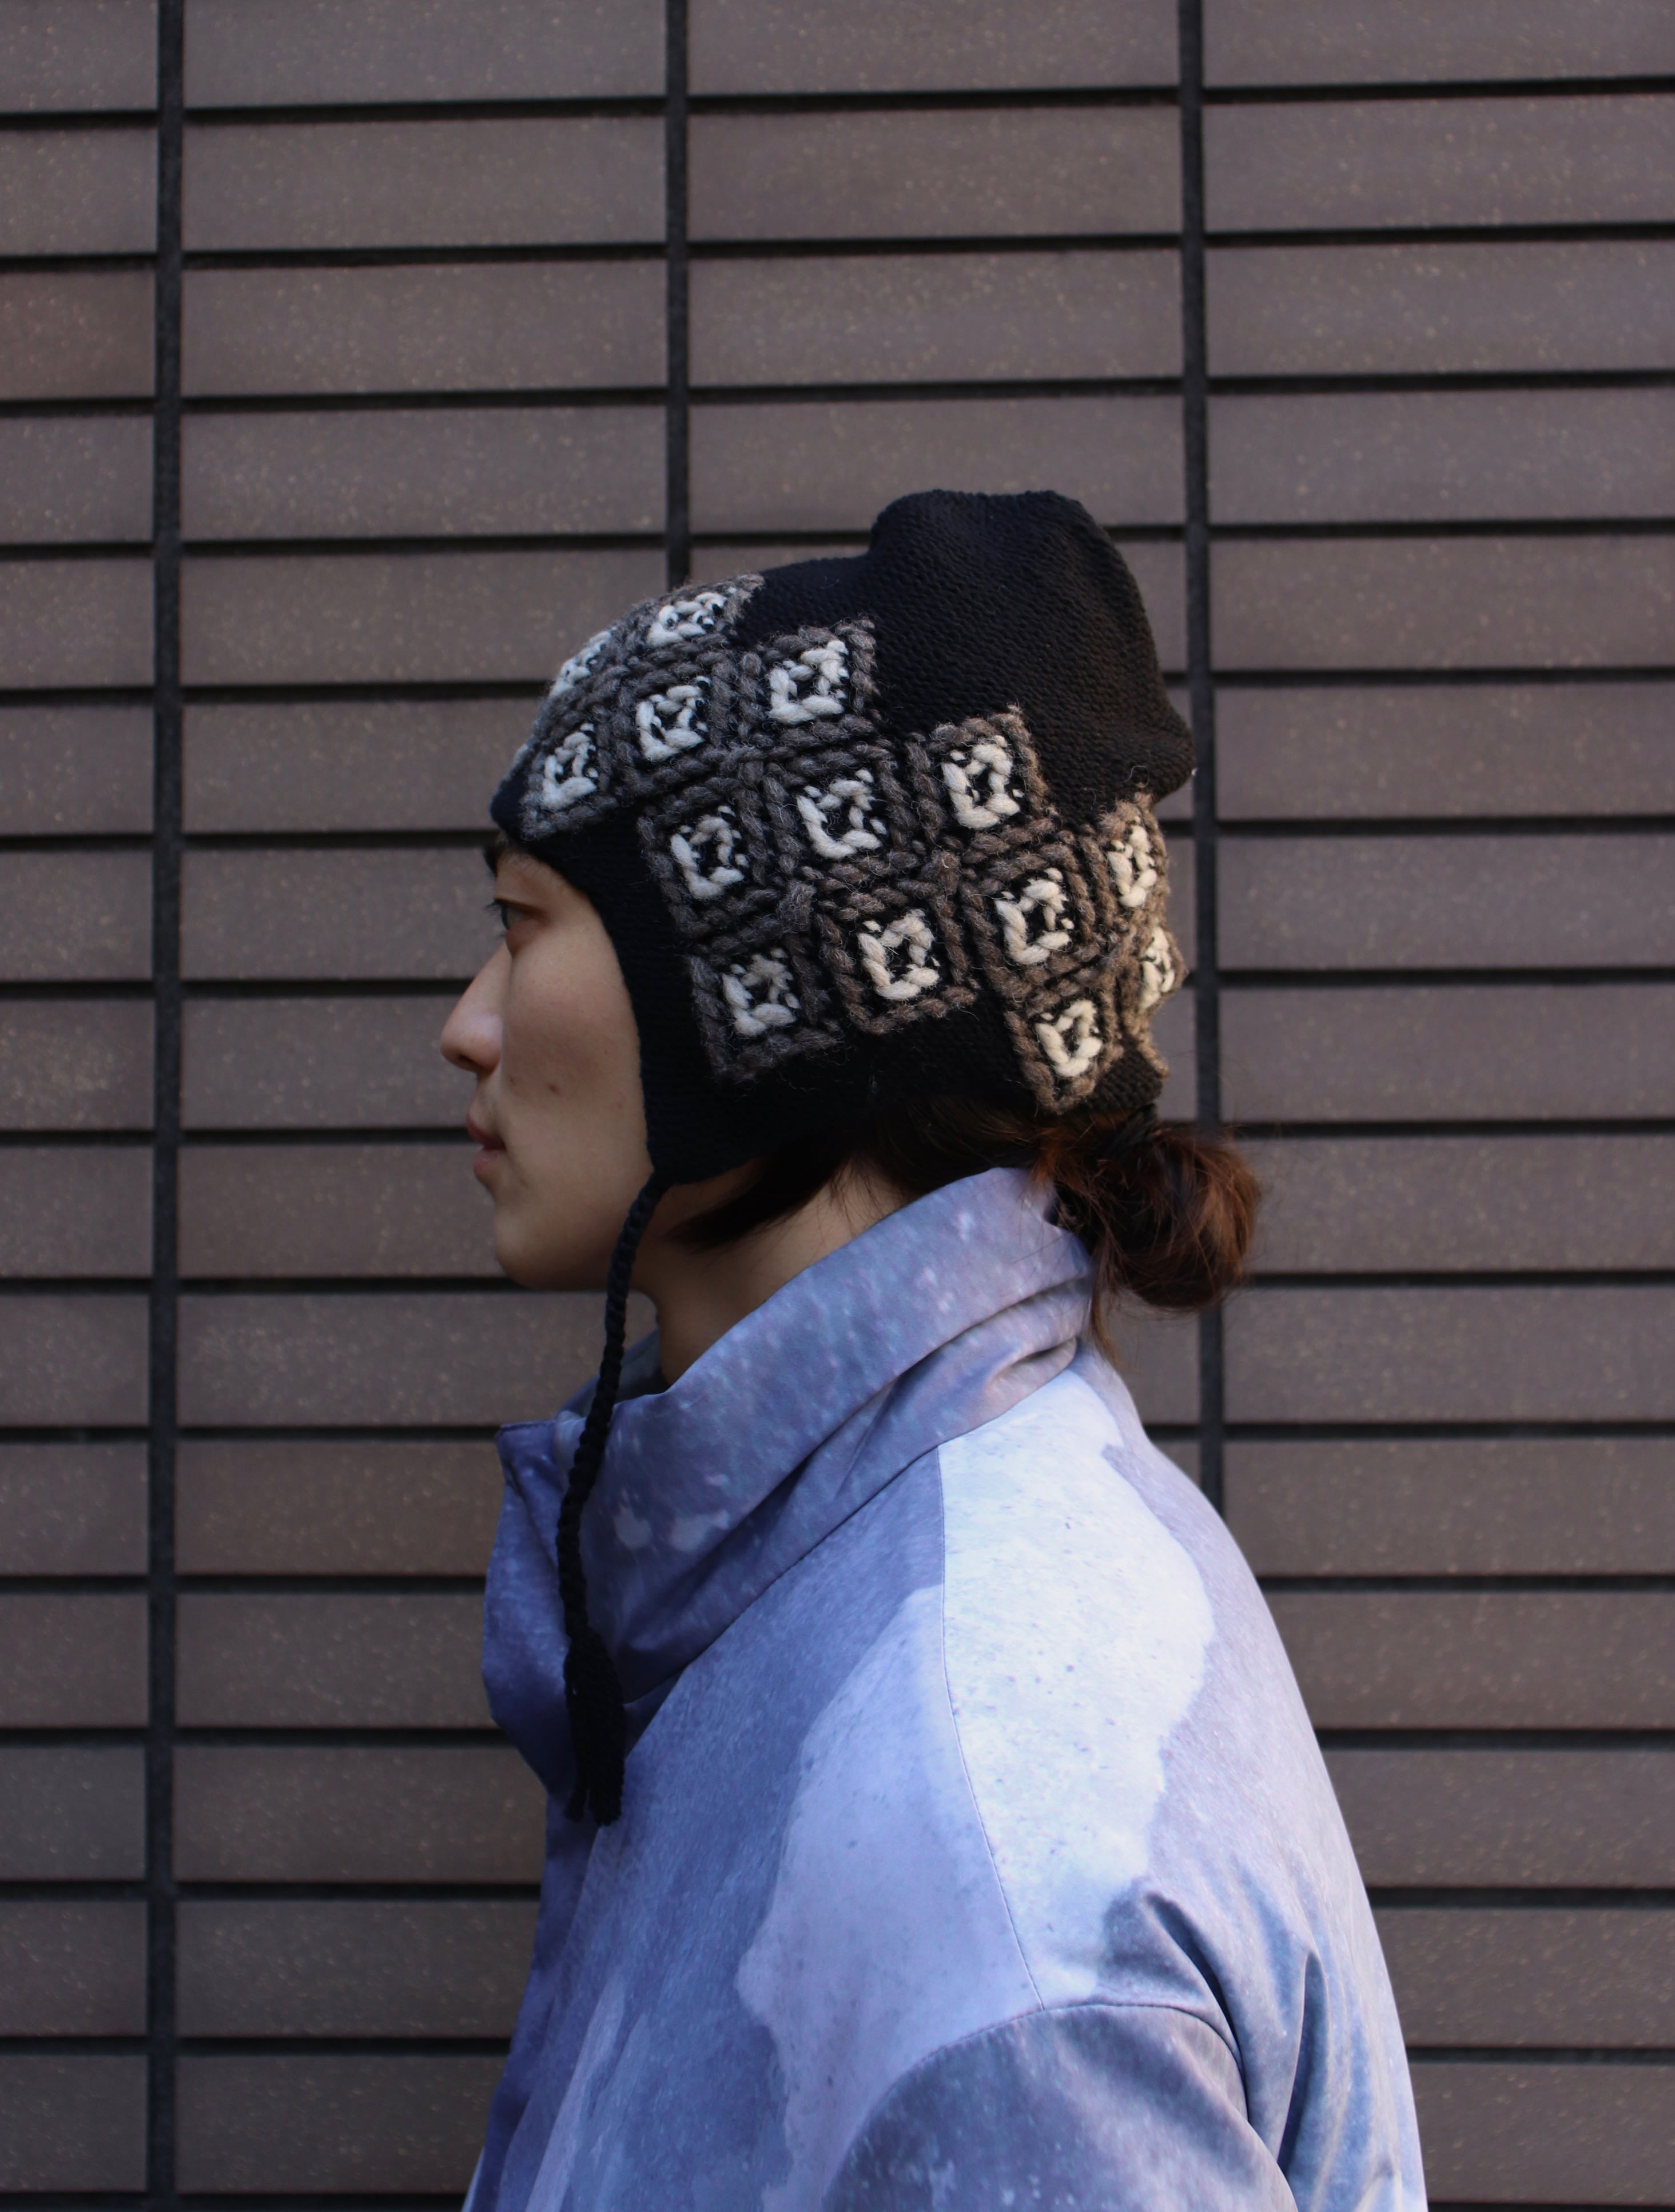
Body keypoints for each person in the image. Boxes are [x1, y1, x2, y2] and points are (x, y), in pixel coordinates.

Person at [439, 489, 1426, 2210]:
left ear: (778, 1010)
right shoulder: (846, 1586)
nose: (469, 1024)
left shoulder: (980, 1853)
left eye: (526, 924)